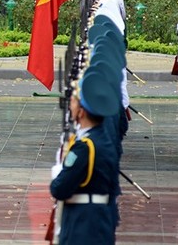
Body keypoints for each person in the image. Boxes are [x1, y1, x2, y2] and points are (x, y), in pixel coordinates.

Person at [50, 68, 120, 244]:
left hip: (83, 224)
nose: (70, 104)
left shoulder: (84, 148)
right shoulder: (102, 138)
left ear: (82, 111)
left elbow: (59, 188)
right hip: (99, 220)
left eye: (74, 101)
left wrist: (59, 170)